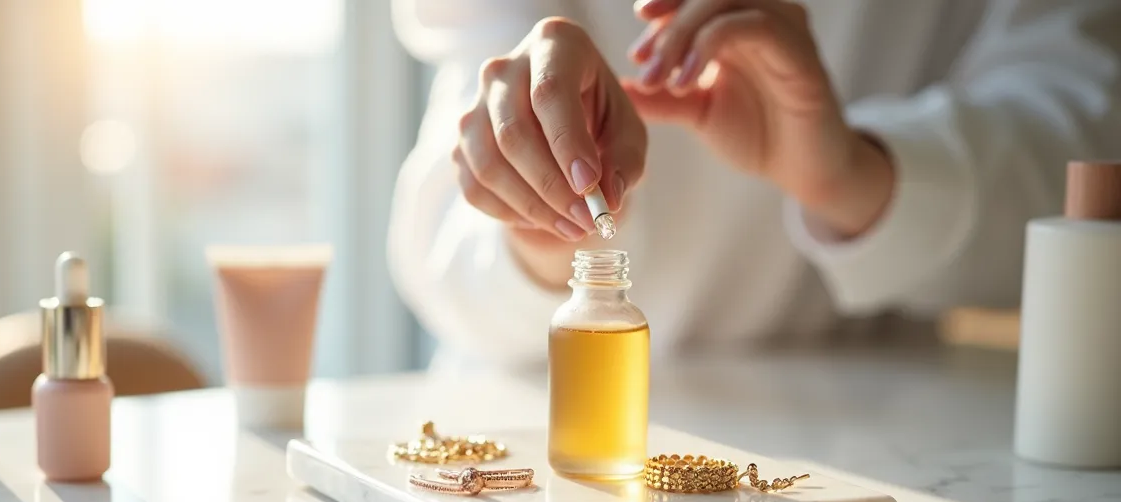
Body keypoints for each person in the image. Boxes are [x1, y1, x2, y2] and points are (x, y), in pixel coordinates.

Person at [387, 0, 1121, 374]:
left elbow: (1084, 153)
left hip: (881, 426)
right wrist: (537, 220)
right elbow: (446, 245)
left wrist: (855, 172)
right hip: (521, 404)